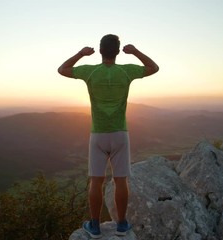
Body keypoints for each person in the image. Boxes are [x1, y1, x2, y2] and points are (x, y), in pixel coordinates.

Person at [57, 34, 159, 238]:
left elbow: (62, 70)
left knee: (96, 181)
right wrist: (136, 51)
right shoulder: (126, 71)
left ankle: (94, 226)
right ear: (118, 51)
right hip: (120, 133)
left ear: (100, 50)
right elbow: (154, 68)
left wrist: (81, 53)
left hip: (98, 134)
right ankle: (121, 225)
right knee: (121, 181)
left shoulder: (90, 71)